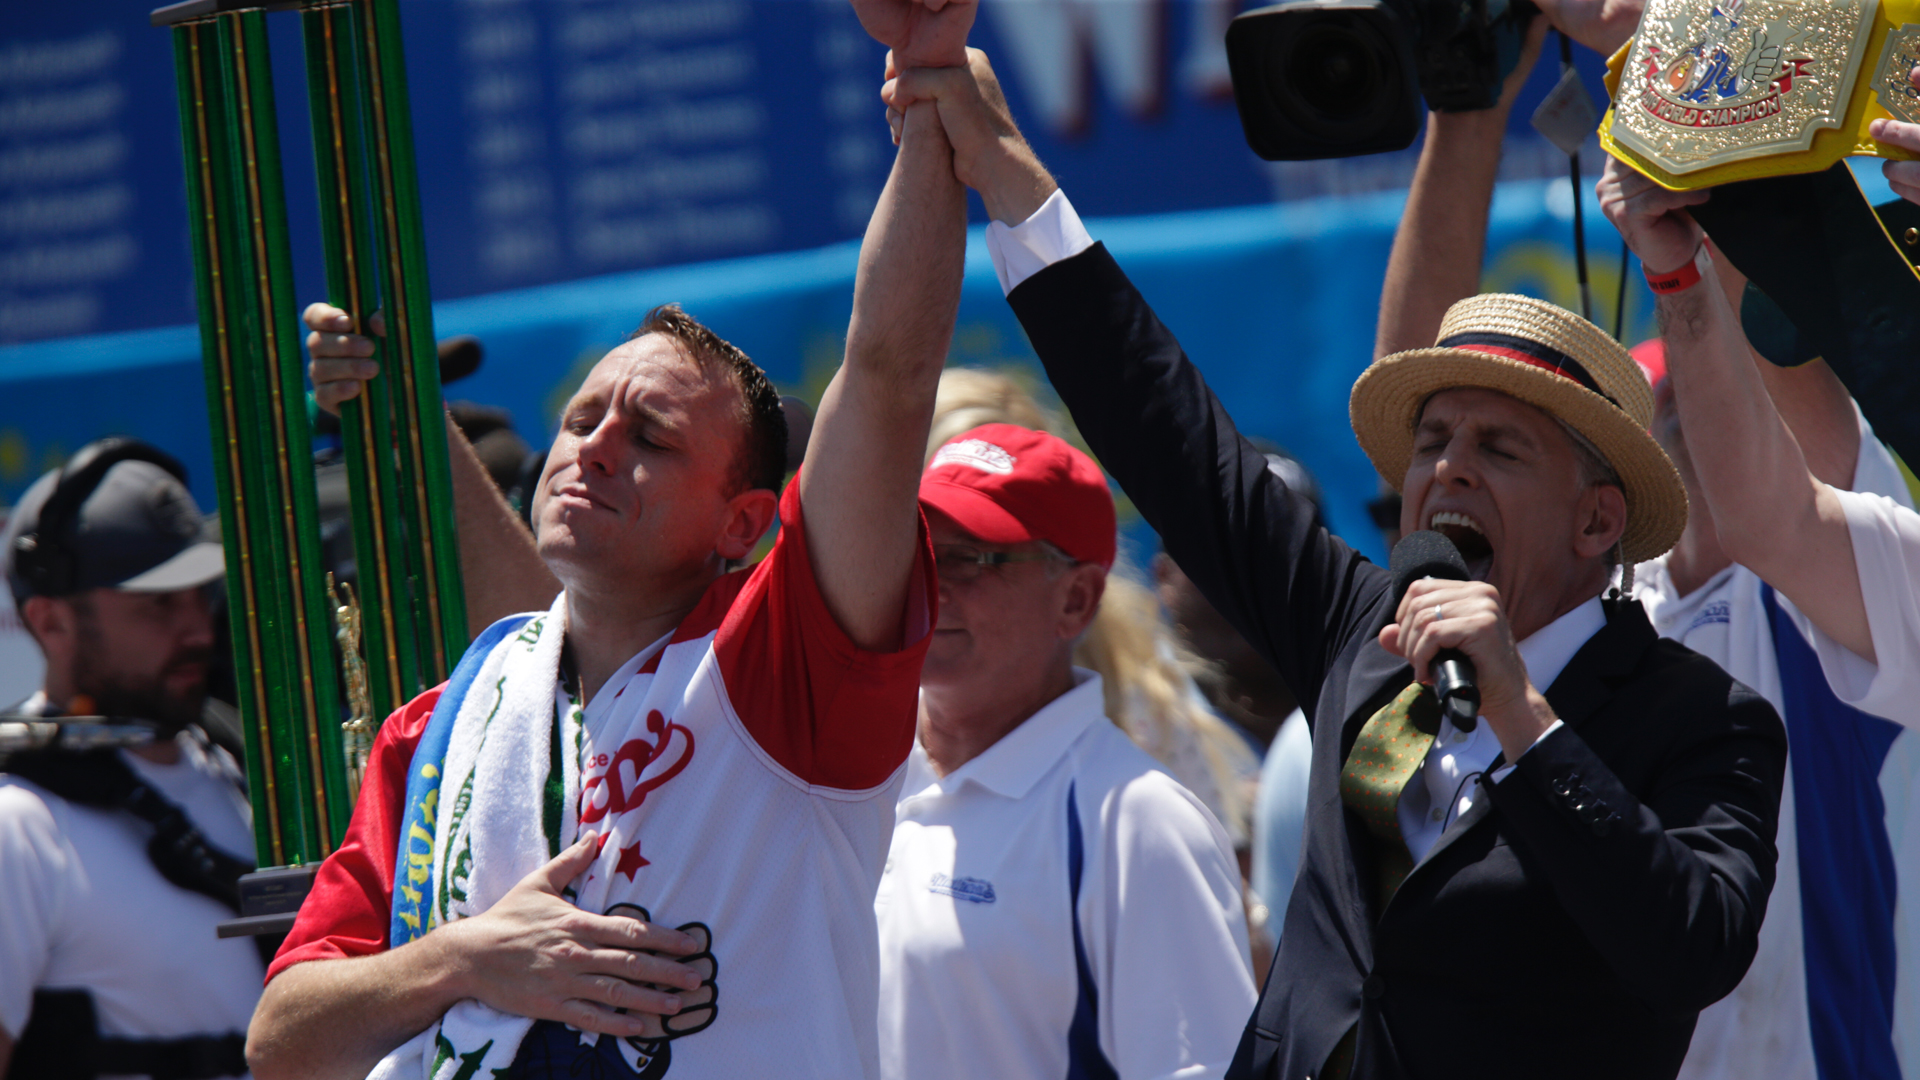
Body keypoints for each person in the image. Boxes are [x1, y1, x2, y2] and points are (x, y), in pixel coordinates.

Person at [875, 36, 1786, 1080]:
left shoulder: (1701, 719)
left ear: (1596, 522)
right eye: (1433, 441)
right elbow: (1169, 437)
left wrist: (1523, 720)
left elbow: (1692, 948)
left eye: (1498, 448)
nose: (1445, 472)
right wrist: (1010, 176)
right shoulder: (1365, 631)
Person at [243, 43, 967, 1078]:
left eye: (652, 436)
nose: (594, 447)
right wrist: (466, 959)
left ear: (742, 522)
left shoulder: (781, 667)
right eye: (582, 418)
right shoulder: (448, 720)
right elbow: (280, 1045)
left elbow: (891, 374)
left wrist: (932, 92)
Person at [1602, 152, 1920, 1079]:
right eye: (1658, 392)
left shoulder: (1824, 605)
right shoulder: (1601, 629)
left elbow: (1778, 512)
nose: (1679, 401)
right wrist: (1682, 282)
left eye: (1699, 382)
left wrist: (1698, 263)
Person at [880, 421, 1255, 1080]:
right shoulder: (850, 778)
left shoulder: (1140, 823)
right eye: (919, 550)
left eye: (973, 556)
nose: (933, 581)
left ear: (1075, 599)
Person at [0, 438, 259, 1080]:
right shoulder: (18, 824)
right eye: (158, 605)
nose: (199, 629)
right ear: (51, 623)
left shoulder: (233, 761)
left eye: (200, 594)